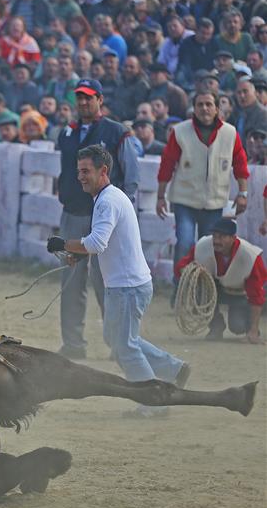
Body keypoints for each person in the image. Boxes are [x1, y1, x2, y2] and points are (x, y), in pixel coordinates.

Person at [47, 145, 189, 418]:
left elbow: (97, 242)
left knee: (124, 345)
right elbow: (103, 242)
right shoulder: (108, 197)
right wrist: (76, 252)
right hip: (128, 284)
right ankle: (173, 369)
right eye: (79, 171)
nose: (80, 176)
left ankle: (153, 402)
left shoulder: (108, 200)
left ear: (104, 171)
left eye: (86, 171)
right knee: (119, 339)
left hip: (126, 286)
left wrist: (64, 243)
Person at [55, 78, 140, 359]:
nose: (83, 102)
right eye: (79, 97)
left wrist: (122, 210)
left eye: (88, 97)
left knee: (109, 283)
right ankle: (73, 344)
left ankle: (119, 345)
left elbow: (131, 176)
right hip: (73, 212)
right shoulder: (68, 133)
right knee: (71, 281)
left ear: (100, 100)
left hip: (104, 215)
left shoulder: (117, 132)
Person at [157, 91, 250, 299]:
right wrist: (160, 196)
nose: (205, 109)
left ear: (217, 108)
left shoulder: (230, 133)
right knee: (185, 243)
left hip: (214, 202)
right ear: (194, 108)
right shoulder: (180, 131)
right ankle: (180, 290)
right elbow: (167, 164)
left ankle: (204, 293)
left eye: (209, 104)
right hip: (184, 200)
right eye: (200, 105)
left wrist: (243, 192)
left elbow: (240, 164)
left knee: (209, 249)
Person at [175, 218, 265, 344]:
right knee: (199, 294)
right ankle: (216, 327)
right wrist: (190, 274)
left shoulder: (250, 256)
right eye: (215, 236)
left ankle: (250, 329)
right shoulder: (203, 246)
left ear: (233, 238)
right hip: (214, 289)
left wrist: (254, 330)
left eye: (222, 237)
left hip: (239, 294)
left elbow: (257, 296)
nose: (216, 241)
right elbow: (181, 267)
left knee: (237, 326)